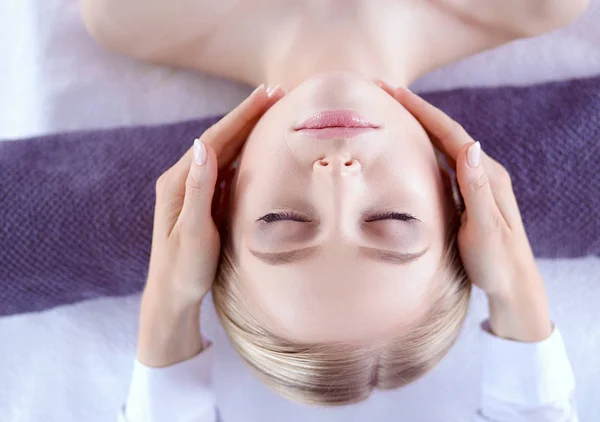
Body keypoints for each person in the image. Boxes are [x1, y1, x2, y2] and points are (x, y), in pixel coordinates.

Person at [78, 1, 588, 420]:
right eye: (392, 220)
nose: (337, 176)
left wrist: (168, 309)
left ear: (220, 201)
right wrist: (515, 285)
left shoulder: (133, 14)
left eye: (283, 221)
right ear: (456, 196)